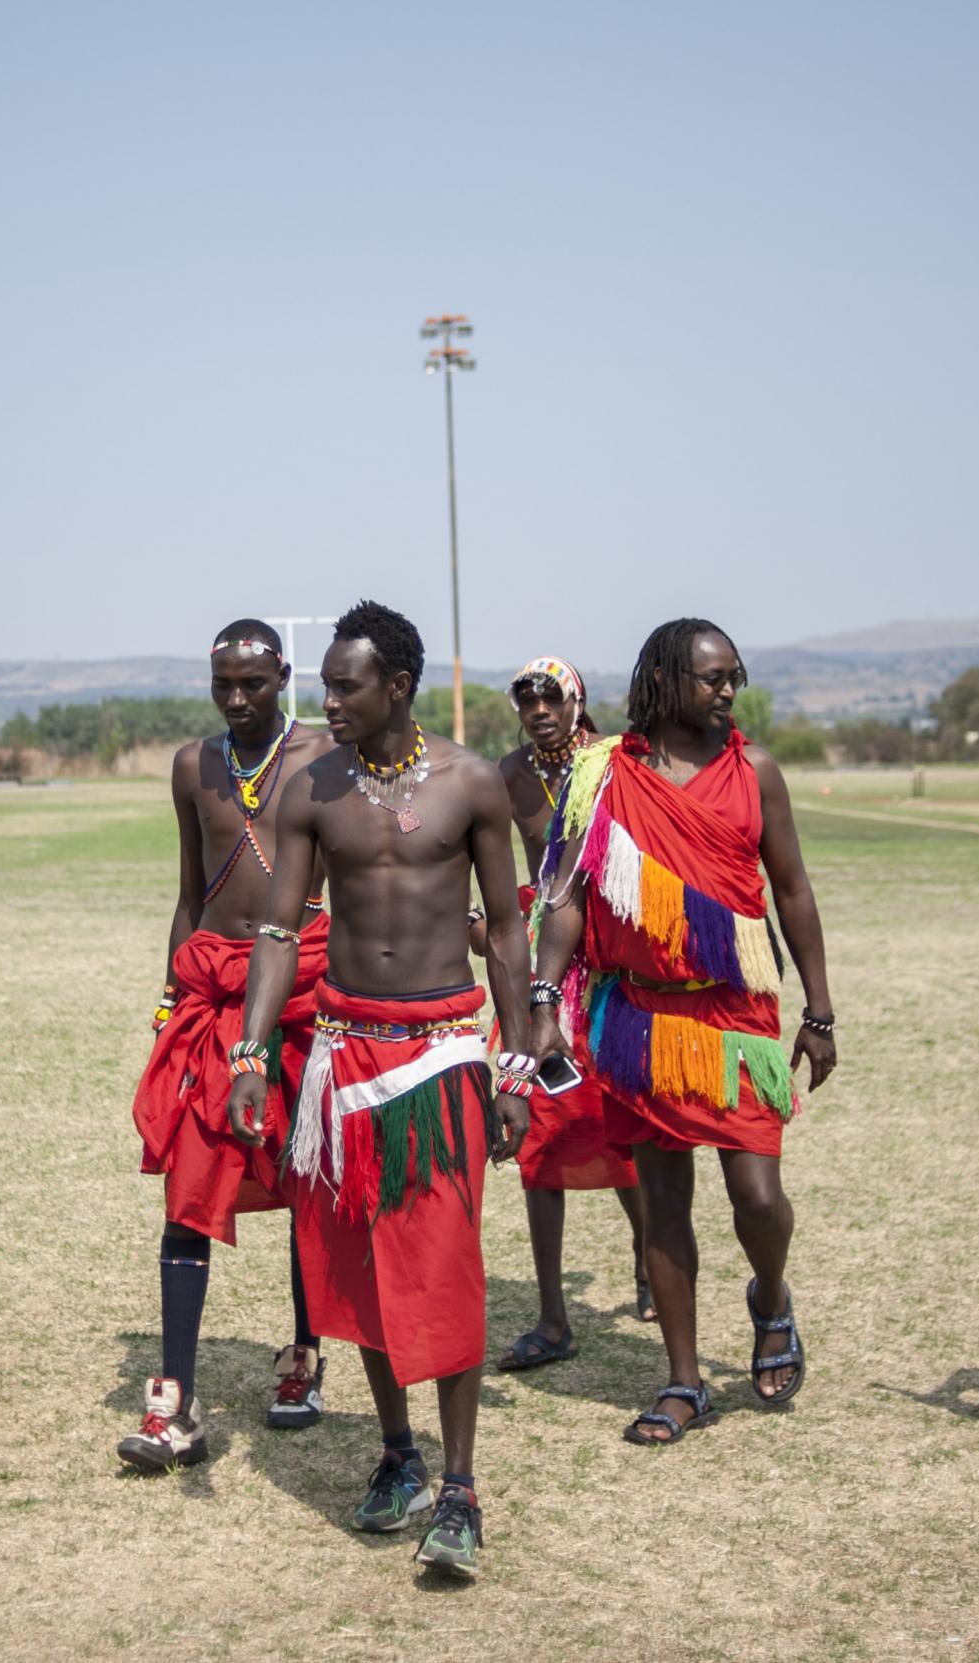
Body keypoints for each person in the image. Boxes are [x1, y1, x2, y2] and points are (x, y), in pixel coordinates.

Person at [225, 600, 531, 1581]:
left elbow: (511, 933)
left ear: (396, 686)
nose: (329, 701)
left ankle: (460, 1487)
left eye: (345, 685)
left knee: (442, 1269)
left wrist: (517, 1061)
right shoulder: (310, 789)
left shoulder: (471, 784)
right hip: (342, 1054)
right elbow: (279, 931)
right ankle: (396, 1453)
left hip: (440, 1052)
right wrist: (249, 1051)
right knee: (353, 1267)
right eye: (324, 684)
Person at [528, 619, 838, 1445]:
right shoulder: (603, 773)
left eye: (734, 674)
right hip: (638, 1017)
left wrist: (819, 1012)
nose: (728, 689)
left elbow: (794, 891)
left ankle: (770, 1295)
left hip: (735, 1010)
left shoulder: (755, 770)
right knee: (664, 1208)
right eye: (711, 677)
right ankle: (683, 1379)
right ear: (665, 681)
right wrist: (543, 1001)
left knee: (757, 1197)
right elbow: (564, 896)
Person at [119, 619, 339, 1470]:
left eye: (253, 682)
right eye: (224, 685)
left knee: (305, 1175)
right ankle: (174, 1394)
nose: (239, 699)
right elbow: (188, 887)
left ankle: (304, 1354)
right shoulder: (191, 765)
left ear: (283, 673)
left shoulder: (323, 755)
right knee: (190, 1175)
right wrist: (172, 985)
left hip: (305, 984)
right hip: (212, 985)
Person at [479, 657, 648, 1371]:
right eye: (528, 697)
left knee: (621, 1130)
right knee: (538, 1136)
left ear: (578, 701)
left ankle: (649, 1250)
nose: (540, 707)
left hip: (608, 971)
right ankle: (552, 1316)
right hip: (537, 974)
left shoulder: (615, 765)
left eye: (553, 696)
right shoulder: (506, 776)